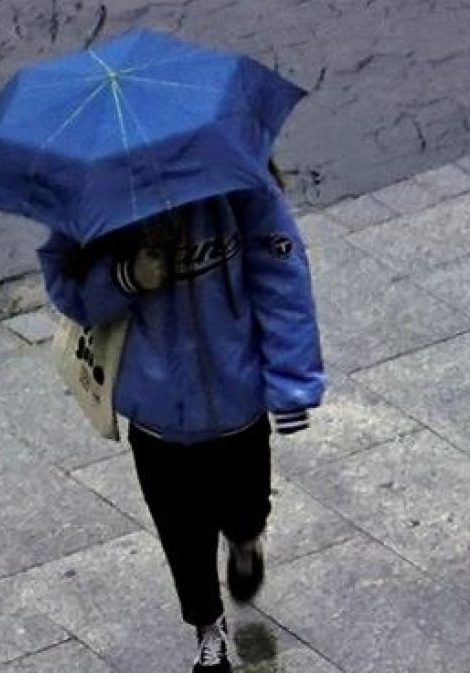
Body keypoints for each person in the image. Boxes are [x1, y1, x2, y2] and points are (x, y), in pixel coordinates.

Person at [37, 162, 325, 673]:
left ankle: (245, 540)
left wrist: (292, 379)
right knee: (181, 532)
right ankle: (207, 629)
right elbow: (69, 289)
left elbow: (281, 279)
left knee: (246, 506)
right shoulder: (100, 197)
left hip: (236, 402)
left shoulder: (237, 181)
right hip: (157, 416)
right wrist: (126, 277)